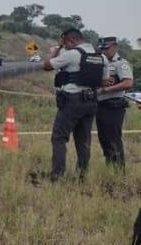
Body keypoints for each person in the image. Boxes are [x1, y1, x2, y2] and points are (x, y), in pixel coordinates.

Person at [43, 28, 107, 181]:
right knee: (84, 140)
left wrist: (58, 47)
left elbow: (46, 65)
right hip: (91, 101)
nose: (65, 46)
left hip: (72, 101)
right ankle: (81, 176)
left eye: (65, 43)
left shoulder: (72, 54)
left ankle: (57, 175)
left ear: (71, 40)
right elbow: (104, 81)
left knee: (59, 138)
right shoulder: (101, 57)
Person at [95, 37, 134, 169]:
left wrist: (106, 89)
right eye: (102, 49)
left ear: (115, 47)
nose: (104, 51)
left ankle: (118, 171)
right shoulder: (101, 63)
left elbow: (128, 83)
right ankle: (110, 168)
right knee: (104, 139)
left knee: (113, 139)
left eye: (106, 48)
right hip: (100, 106)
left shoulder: (120, 63)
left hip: (114, 105)